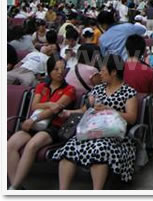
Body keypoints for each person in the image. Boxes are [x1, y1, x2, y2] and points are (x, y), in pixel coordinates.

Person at [52, 54, 138, 189]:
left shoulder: (128, 92)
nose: (100, 74)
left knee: (99, 151)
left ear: (114, 72)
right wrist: (69, 112)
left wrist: (109, 110)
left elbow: (132, 117)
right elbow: (84, 110)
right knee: (69, 149)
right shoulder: (98, 89)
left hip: (113, 135)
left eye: (103, 71)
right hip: (91, 132)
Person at [7, 55, 75, 190]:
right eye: (56, 69)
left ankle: (14, 187)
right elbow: (34, 105)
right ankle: (17, 186)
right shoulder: (41, 86)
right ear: (49, 70)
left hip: (54, 126)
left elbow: (55, 110)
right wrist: (49, 103)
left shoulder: (69, 90)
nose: (60, 72)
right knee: (10, 145)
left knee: (32, 145)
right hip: (34, 125)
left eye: (62, 69)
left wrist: (34, 118)